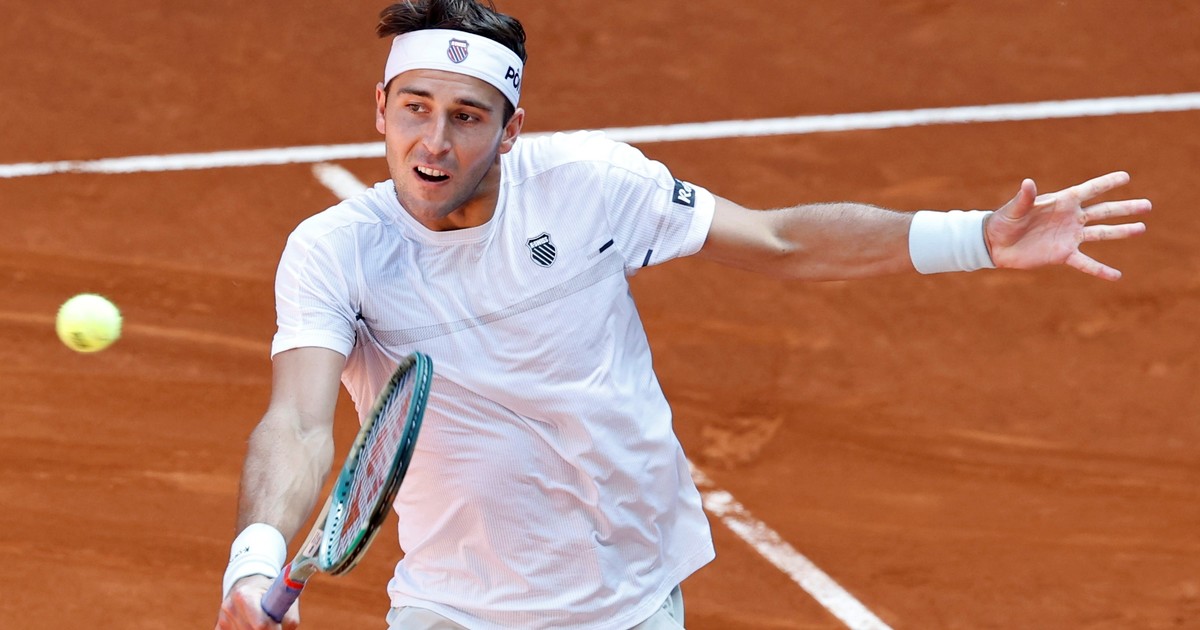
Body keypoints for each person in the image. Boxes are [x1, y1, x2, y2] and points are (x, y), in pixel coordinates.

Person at [214, 1, 1150, 628]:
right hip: (452, 610)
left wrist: (975, 237)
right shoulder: (334, 250)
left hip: (629, 601)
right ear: (380, 109)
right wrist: (254, 562)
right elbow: (298, 423)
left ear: (511, 129)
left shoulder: (591, 184)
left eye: (467, 115)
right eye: (415, 107)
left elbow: (779, 241)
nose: (435, 140)